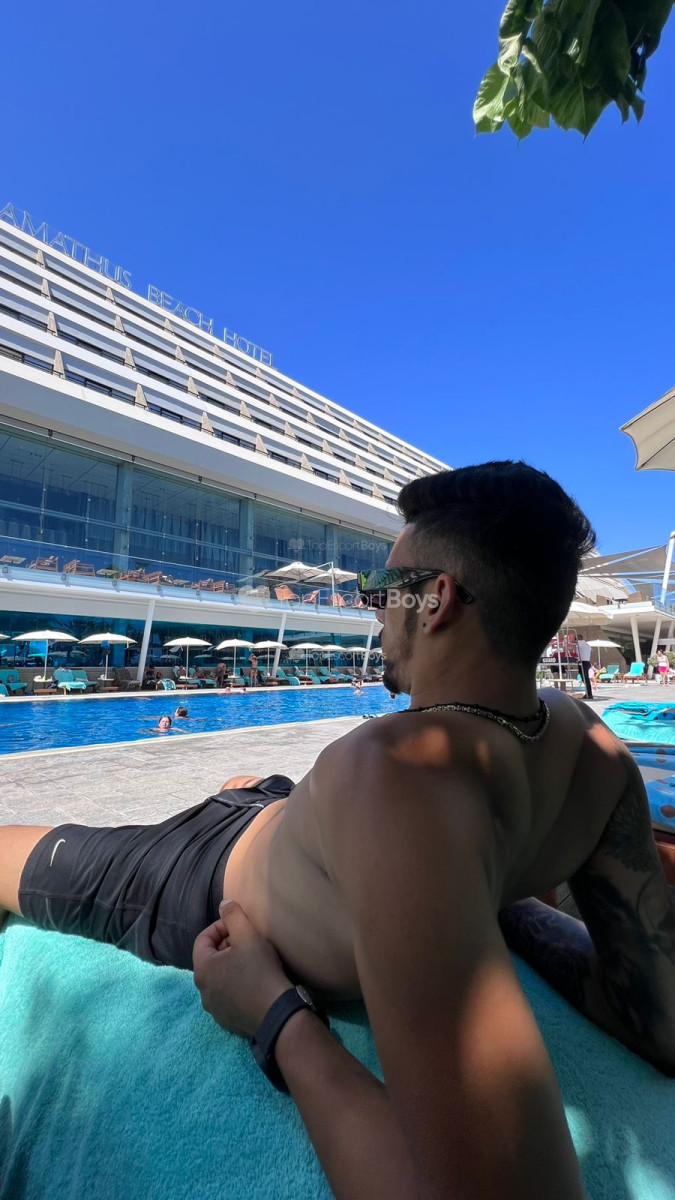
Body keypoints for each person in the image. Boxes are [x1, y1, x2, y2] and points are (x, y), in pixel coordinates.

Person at [3, 461, 675, 1200]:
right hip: (277, 823)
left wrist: (275, 1016)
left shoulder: (398, 775)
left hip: (196, 870)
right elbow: (653, 1014)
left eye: (380, 589)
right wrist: (500, 906)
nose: (372, 610)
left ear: (436, 601)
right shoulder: (592, 749)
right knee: (249, 795)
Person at [576, 634, 593, 700]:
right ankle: (588, 693)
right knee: (585, 679)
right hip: (586, 662)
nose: (575, 640)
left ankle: (589, 694)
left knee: (585, 679)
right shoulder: (586, 644)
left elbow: (573, 643)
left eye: (576, 638)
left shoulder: (580, 643)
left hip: (583, 662)